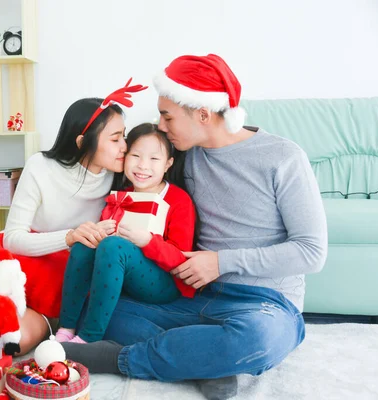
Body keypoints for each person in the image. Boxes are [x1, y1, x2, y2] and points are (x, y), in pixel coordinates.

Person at [61, 54, 328, 400]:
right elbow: (135, 178)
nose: (159, 125)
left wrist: (219, 262)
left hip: (263, 304)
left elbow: (312, 252)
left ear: (202, 114)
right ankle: (205, 361)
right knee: (94, 305)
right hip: (190, 299)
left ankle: (120, 359)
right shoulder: (185, 157)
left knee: (259, 340)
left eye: (167, 115)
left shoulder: (284, 158)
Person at [0, 80, 147, 358]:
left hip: (63, 279)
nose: (125, 147)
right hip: (25, 256)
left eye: (124, 136)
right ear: (82, 142)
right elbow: (13, 238)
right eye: (115, 139)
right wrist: (69, 235)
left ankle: (6, 314)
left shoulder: (123, 176)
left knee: (6, 343)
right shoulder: (41, 167)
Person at [56, 123, 196, 344]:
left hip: (163, 283)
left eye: (154, 159)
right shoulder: (121, 196)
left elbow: (180, 260)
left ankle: (89, 338)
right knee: (85, 243)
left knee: (114, 246)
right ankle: (65, 329)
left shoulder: (179, 201)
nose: (143, 166)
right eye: (136, 155)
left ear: (168, 163)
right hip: (123, 274)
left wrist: (148, 241)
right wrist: (100, 231)